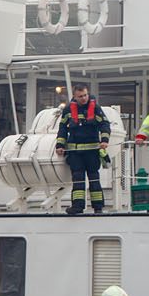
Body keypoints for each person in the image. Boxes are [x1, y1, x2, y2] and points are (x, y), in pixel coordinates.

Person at [55, 85, 111, 215]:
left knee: (94, 178)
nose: (84, 98)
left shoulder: (95, 108)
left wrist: (104, 140)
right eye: (80, 96)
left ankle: (98, 207)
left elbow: (104, 124)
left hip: (92, 151)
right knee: (78, 179)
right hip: (75, 153)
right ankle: (77, 206)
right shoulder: (68, 109)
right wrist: (60, 145)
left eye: (85, 95)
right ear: (75, 97)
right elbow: (63, 128)